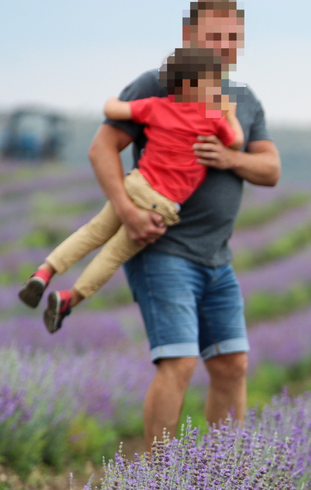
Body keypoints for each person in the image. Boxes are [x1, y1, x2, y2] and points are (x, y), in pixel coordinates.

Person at [77, 0, 279, 446]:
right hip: (162, 249)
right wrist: (127, 213)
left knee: (232, 364)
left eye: (232, 38)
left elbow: (271, 170)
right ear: (190, 35)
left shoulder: (241, 100)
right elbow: (101, 148)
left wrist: (229, 157)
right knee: (179, 363)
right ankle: (157, 487)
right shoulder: (159, 83)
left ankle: (223, 478)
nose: (224, 47)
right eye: (214, 36)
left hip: (216, 257)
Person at [18, 48, 244, 333]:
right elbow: (235, 142)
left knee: (91, 232)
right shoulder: (211, 116)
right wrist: (230, 113)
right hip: (160, 203)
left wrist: (114, 98)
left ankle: (43, 272)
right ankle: (67, 299)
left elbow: (112, 109)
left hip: (136, 184)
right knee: (111, 256)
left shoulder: (157, 105)